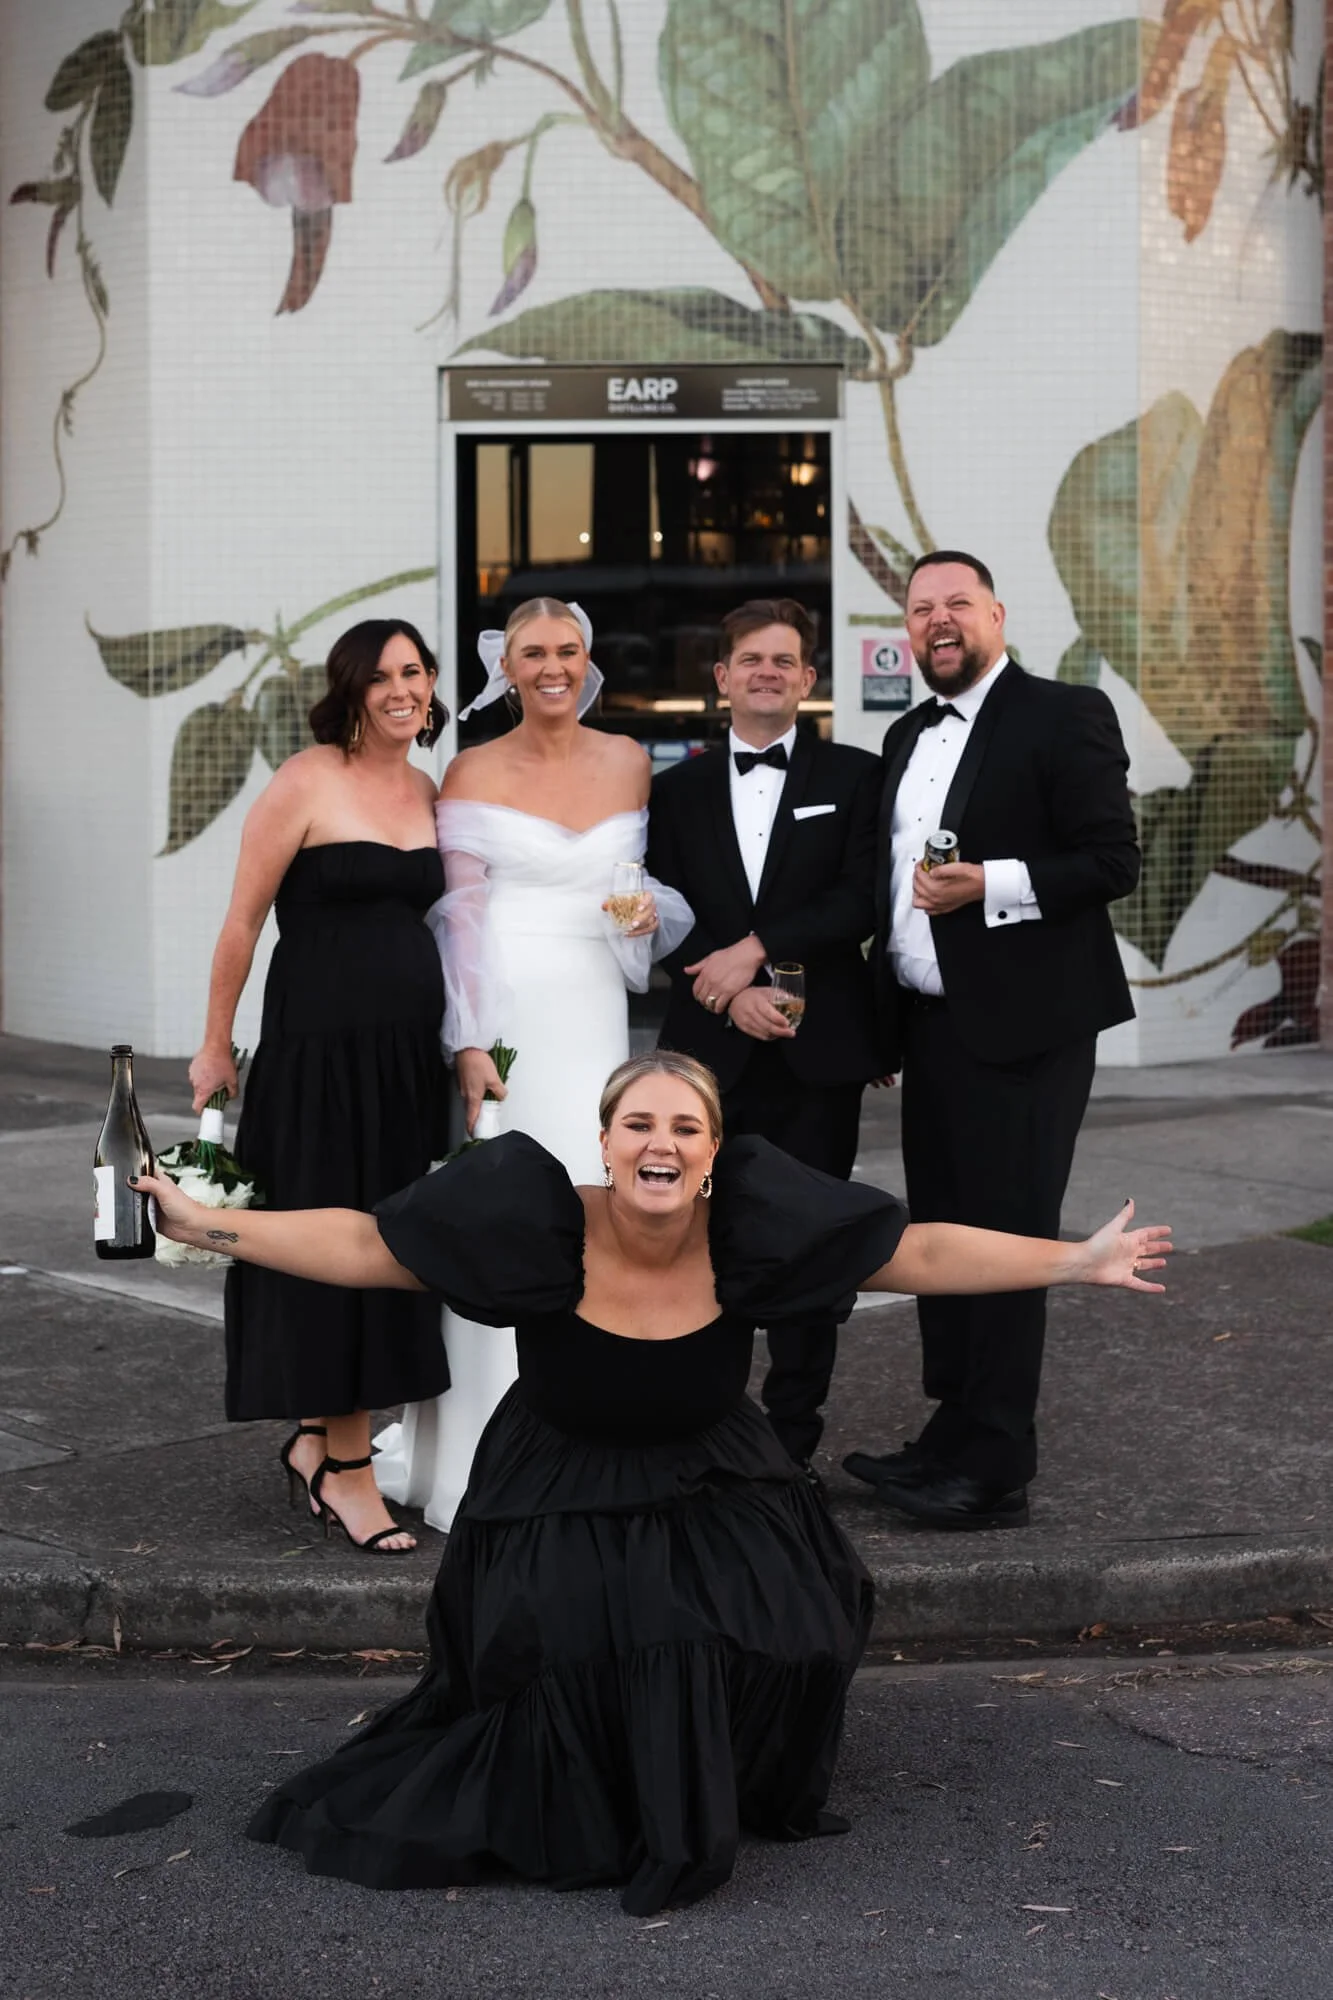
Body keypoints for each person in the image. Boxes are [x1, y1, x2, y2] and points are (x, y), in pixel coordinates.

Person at [137, 1051, 1170, 1917]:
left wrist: (1073, 1261)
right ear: (605, 1141)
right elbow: (366, 1242)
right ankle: (619, 1785)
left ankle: (708, 1766)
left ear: (713, 1150)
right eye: (637, 1123)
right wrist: (201, 1225)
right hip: (559, 1483)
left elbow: (923, 1252)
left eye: (684, 1126)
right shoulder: (537, 1220)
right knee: (602, 1650)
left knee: (803, 1627)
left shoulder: (751, 1229)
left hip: (711, 1468)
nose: (659, 1143)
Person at [373, 597, 692, 1532]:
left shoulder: (629, 760)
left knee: (596, 1208)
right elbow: (460, 918)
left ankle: (589, 1437)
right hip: (507, 1010)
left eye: (567, 650)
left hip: (594, 1011)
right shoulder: (471, 767)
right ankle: (482, 1451)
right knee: (503, 1212)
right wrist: (470, 1040)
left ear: (587, 661)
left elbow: (631, 896)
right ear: (505, 670)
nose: (552, 666)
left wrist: (640, 916)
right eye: (533, 653)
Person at [845, 550, 1141, 1531]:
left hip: (1027, 1031)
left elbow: (1111, 861)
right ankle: (951, 1428)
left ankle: (996, 1462)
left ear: (996, 615)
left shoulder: (1064, 714)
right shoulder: (902, 734)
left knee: (1009, 1240)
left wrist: (989, 883)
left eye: (956, 603)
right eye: (920, 607)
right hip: (929, 1027)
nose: (937, 619)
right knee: (942, 1235)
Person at [188, 618, 453, 1554]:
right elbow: (240, 924)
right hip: (318, 1062)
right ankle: (348, 1470)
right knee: (326, 1249)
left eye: (414, 672)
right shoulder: (306, 779)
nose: (401, 690)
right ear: (350, 691)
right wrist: (214, 1046)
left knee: (389, 1249)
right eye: (380, 677)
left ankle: (316, 1441)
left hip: (404, 1064)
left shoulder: (427, 788)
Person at [647, 599, 880, 1488]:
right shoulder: (674, 790)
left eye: (784, 660)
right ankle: (703, 1423)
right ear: (722, 677)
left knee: (809, 1243)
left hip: (817, 1051)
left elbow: (859, 898)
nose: (767, 672)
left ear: (808, 679)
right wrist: (731, 990)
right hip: (707, 1052)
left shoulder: (855, 776)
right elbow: (659, 908)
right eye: (750, 659)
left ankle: (790, 1442)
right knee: (699, 1238)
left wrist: (757, 950)